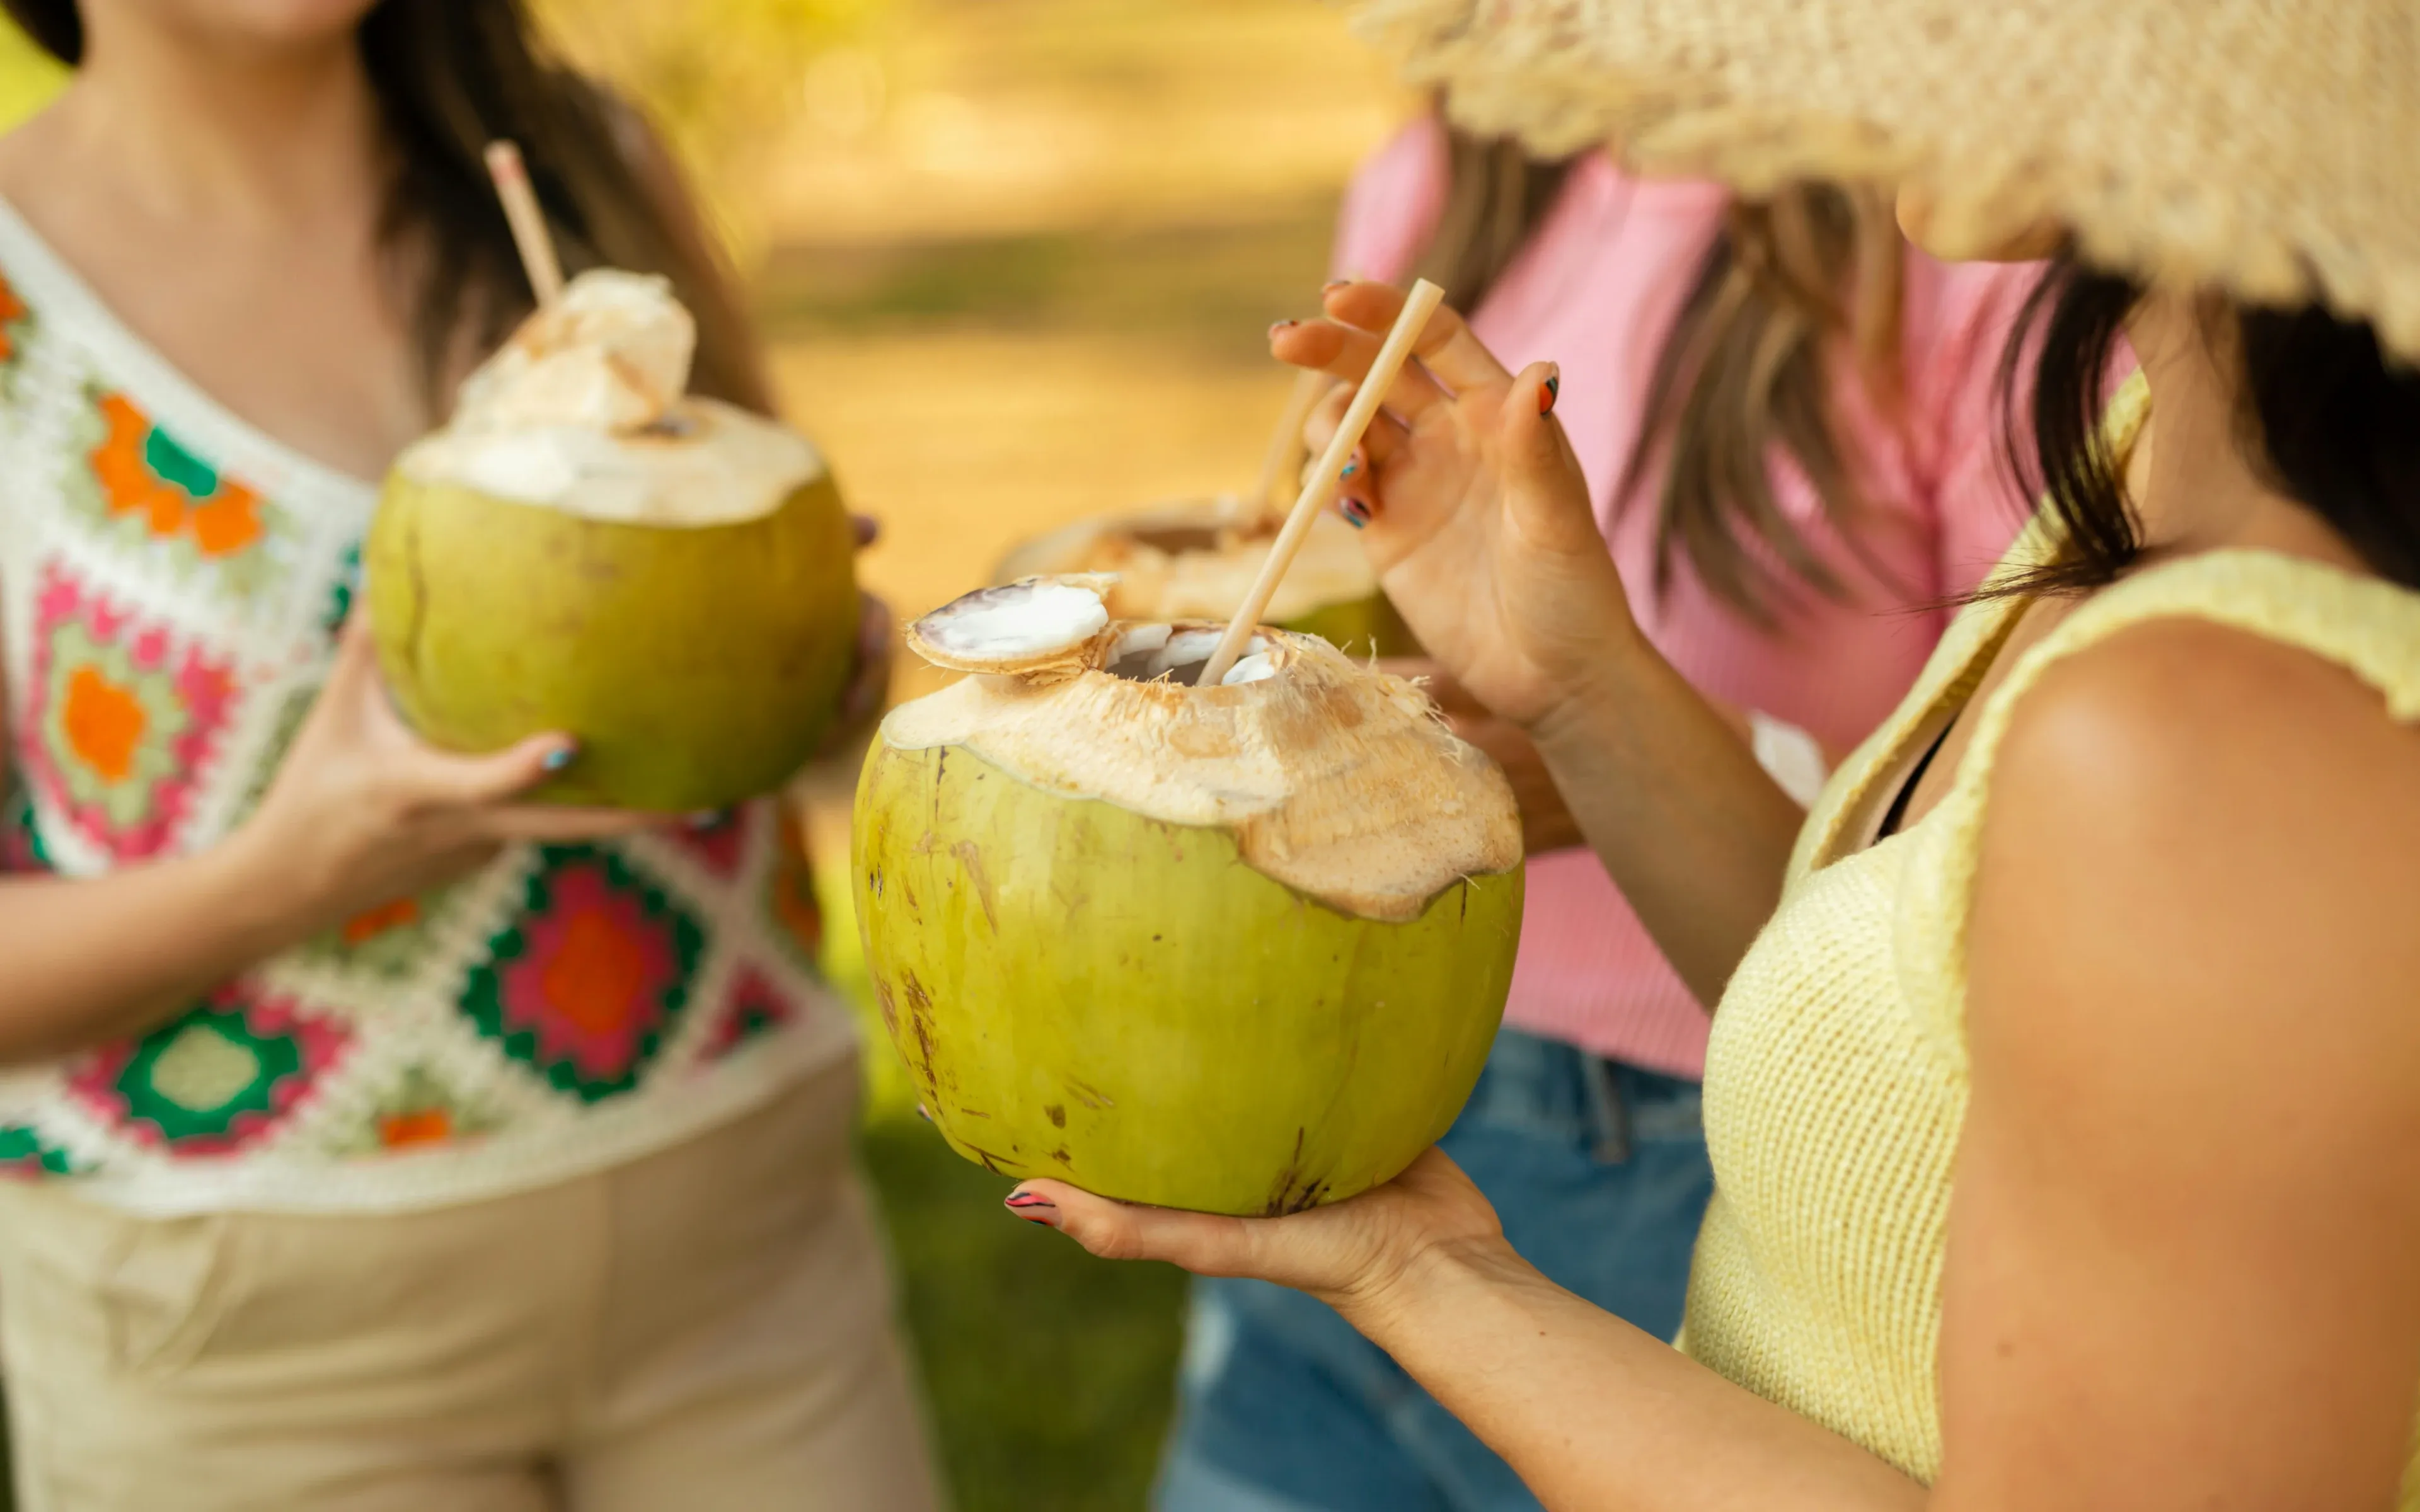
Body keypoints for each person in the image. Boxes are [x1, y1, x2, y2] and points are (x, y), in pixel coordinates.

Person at [1012, 0, 2420, 1506]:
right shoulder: (2156, 452)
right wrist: (1581, 684)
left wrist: (1429, 1283)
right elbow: (1923, 1041)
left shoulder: (2214, 752)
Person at [0, 2, 940, 1508]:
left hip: (747, 1258)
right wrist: (290, 873)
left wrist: (812, 676)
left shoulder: (582, 174)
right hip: (254, 1349)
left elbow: (773, 682)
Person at [1154, 103, 2041, 1512]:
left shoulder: (1979, 220)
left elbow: (2000, 827)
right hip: (1366, 1063)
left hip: (1701, 1138)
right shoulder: (1448, 171)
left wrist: (1604, 737)